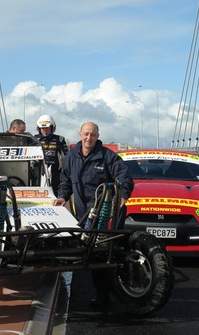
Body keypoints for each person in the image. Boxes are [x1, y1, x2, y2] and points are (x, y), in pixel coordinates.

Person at [53, 121, 134, 306]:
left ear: (98, 136)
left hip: (106, 213)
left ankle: (108, 294)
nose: (89, 138)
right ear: (80, 134)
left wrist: (122, 196)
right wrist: (62, 197)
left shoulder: (107, 157)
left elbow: (124, 177)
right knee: (89, 252)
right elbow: (65, 179)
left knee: (103, 253)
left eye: (93, 135)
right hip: (82, 212)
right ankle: (103, 294)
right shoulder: (70, 157)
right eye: (86, 134)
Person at [34, 114, 69, 196]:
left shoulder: (60, 139)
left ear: (52, 128)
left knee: (55, 191)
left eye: (47, 128)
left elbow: (67, 156)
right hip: (38, 169)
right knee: (37, 189)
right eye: (42, 128)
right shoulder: (34, 139)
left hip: (55, 170)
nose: (45, 130)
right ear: (39, 128)